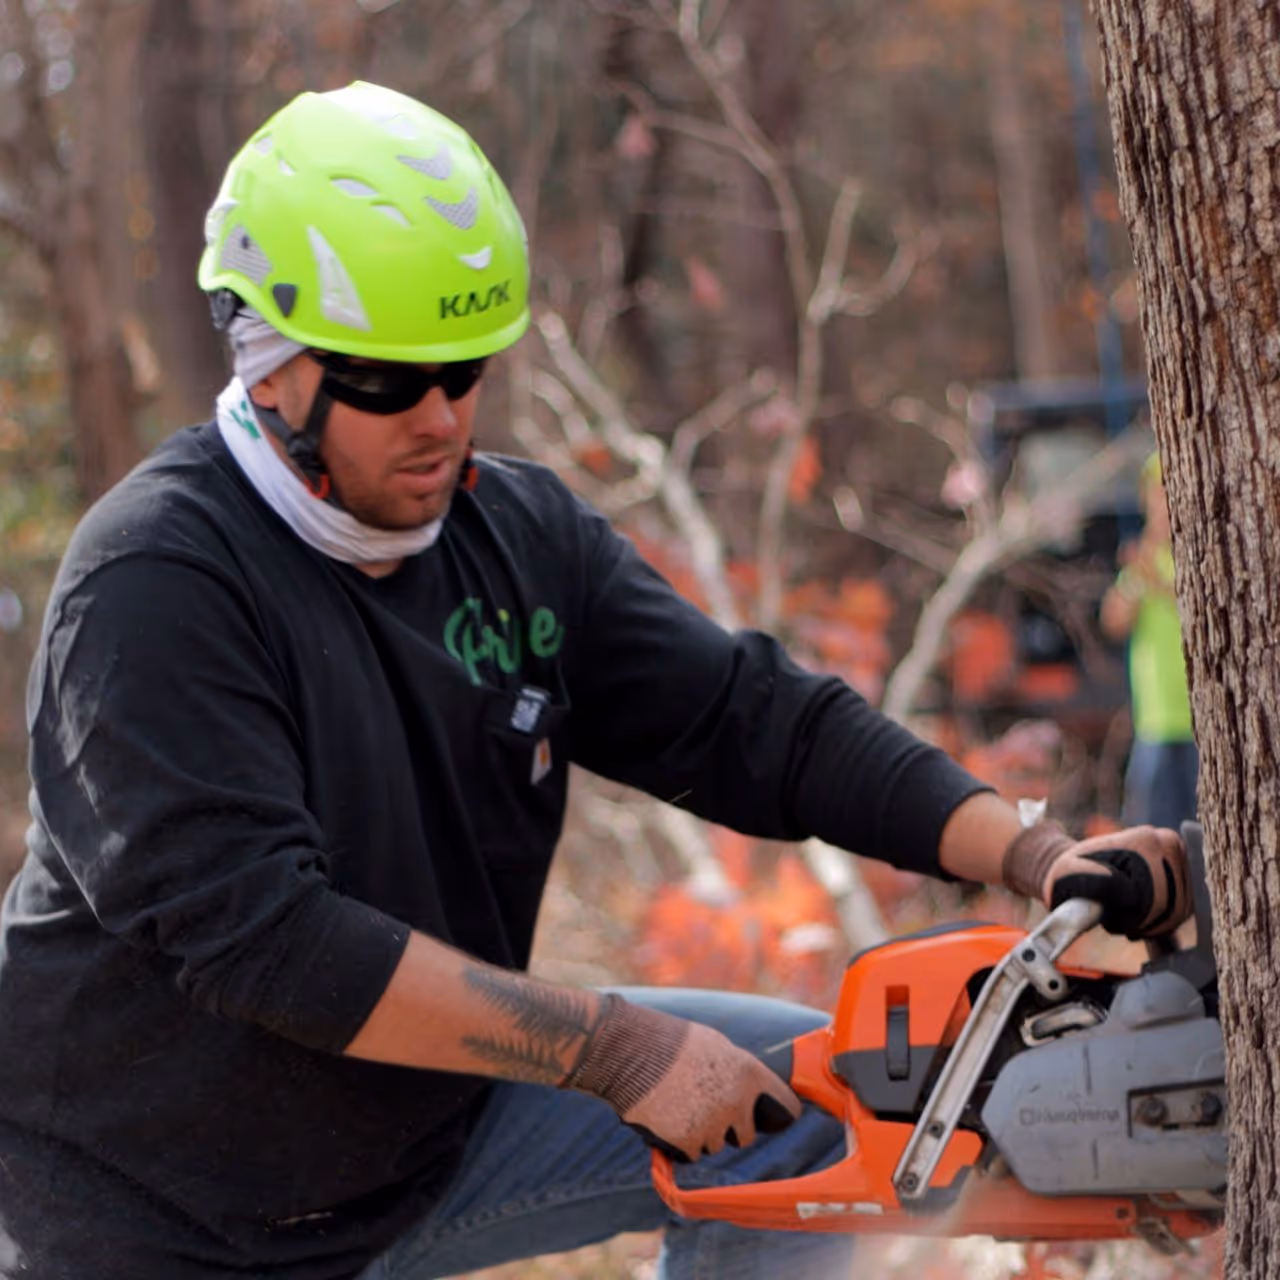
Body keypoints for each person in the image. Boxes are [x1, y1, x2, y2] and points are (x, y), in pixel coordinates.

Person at [0, 83, 1191, 1280]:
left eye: (463, 370)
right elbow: (267, 942)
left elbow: (747, 719)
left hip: (425, 1136)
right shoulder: (155, 578)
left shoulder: (515, 537)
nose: (438, 416)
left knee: (805, 1122)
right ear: (267, 365)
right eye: (384, 380)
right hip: (154, 1216)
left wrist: (1029, 851)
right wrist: (610, 1048)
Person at [1101, 453, 1199, 830]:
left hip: (1195, 722)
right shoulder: (1143, 559)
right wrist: (1138, 576)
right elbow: (1114, 621)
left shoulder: (1195, 554)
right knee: (1152, 830)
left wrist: (1155, 582)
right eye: (1153, 494)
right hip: (1155, 723)